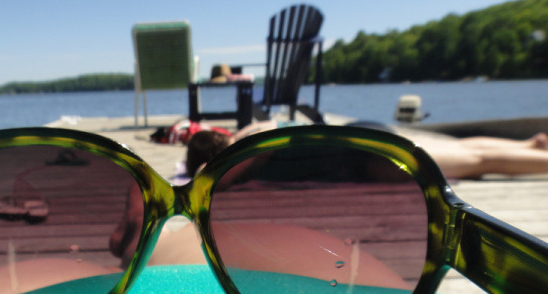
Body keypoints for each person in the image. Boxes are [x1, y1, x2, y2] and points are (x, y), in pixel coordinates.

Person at [191, 120, 548, 180]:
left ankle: (540, 158)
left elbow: (220, 177)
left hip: (366, 154)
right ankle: (528, 145)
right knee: (461, 149)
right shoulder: (251, 129)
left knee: (476, 162)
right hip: (362, 136)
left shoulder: (246, 148)